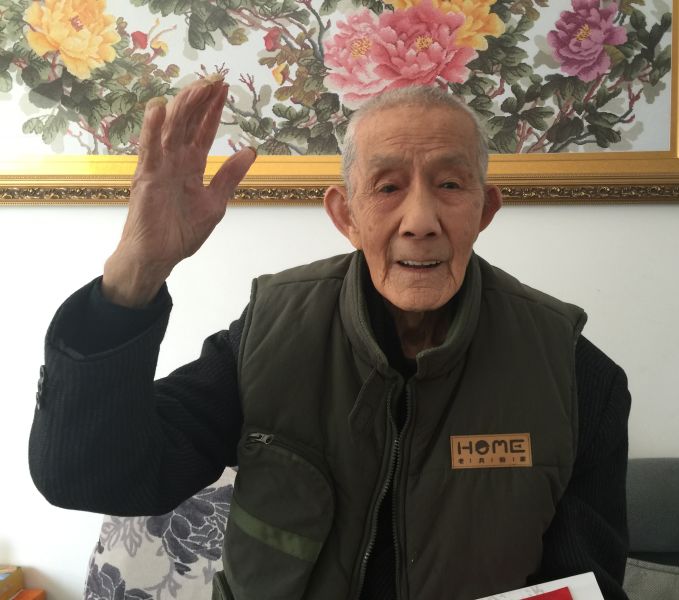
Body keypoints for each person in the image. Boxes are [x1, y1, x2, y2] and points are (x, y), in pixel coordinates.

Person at [29, 79, 631, 600]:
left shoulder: (573, 373)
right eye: (388, 188)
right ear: (346, 215)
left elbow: (585, 583)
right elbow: (91, 476)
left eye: (450, 184)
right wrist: (137, 271)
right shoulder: (266, 336)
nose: (420, 221)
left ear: (485, 209)